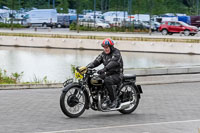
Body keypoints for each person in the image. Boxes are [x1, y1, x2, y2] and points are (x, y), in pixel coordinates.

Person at [87, 38, 123, 108]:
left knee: (107, 80)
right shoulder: (103, 54)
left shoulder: (116, 53)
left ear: (111, 47)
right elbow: (96, 62)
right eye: (104, 47)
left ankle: (114, 100)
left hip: (117, 74)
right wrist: (86, 68)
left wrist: (104, 69)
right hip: (108, 73)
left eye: (107, 47)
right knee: (94, 79)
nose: (105, 49)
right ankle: (99, 97)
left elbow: (113, 62)